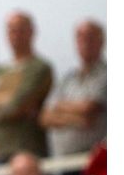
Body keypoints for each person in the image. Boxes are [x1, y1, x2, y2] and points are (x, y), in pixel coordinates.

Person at [0, 12, 54, 162]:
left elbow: (19, 103)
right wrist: (8, 98)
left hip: (28, 151)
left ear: (31, 32)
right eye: (11, 30)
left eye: (20, 30)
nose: (15, 35)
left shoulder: (39, 67)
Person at [40, 20, 106, 158]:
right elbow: (45, 117)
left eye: (90, 37)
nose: (85, 42)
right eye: (80, 37)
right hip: (62, 159)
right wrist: (78, 119)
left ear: (101, 41)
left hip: (94, 159)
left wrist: (59, 107)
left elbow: (88, 108)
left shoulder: (106, 74)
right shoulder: (67, 78)